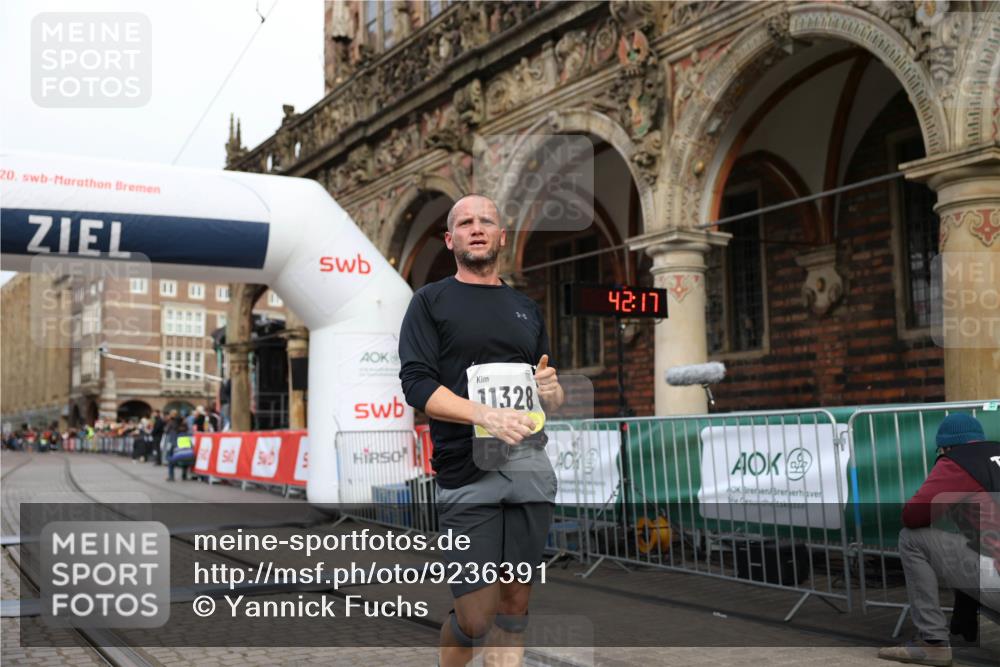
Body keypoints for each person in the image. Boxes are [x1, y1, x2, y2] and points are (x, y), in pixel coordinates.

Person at [398, 194, 565, 667]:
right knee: (475, 617)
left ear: (501, 236)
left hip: (528, 464)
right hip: (466, 469)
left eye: (486, 221)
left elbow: (546, 394)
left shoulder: (525, 309)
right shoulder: (430, 302)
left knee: (515, 605)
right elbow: (417, 385)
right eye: (465, 222)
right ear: (450, 239)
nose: (477, 228)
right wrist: (483, 415)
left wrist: (551, 390)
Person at [878, 413, 1000, 667]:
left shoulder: (957, 462)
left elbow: (913, 516)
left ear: (946, 447)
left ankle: (932, 643)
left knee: (911, 539)